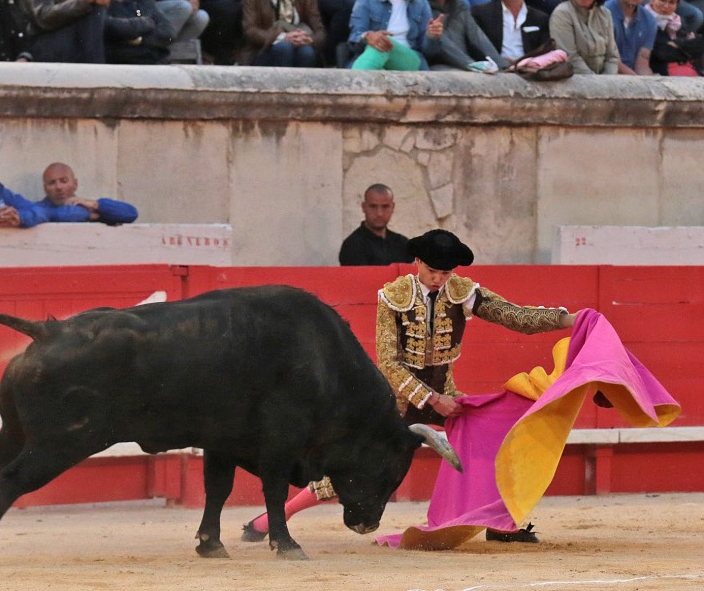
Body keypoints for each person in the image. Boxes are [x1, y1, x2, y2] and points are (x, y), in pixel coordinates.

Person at [241, 229, 579, 544]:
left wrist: (567, 320)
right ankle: (276, 517)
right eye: (434, 271)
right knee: (359, 466)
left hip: (444, 391)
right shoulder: (394, 296)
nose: (439, 279)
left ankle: (499, 525)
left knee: (491, 442)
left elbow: (512, 315)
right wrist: (433, 399)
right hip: (394, 401)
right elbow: (389, 363)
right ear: (418, 262)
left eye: (446, 273)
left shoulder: (461, 292)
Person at [347, 0, 444, 70]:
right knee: (379, 45)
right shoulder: (366, 0)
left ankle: (352, 86)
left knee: (383, 43)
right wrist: (368, 37)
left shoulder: (421, 3)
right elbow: (354, 39)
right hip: (372, 57)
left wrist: (431, 36)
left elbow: (429, 53)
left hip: (409, 60)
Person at [421, 0, 509, 71]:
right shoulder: (421, 4)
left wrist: (502, 65)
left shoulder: (459, 3)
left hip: (465, 63)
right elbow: (443, 44)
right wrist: (470, 65)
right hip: (435, 63)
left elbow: (477, 36)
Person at [240, 0, 326, 66]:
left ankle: (300, 85)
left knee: (307, 52)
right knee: (284, 48)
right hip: (263, 49)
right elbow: (250, 30)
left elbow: (320, 32)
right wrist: (282, 37)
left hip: (299, 46)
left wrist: (308, 39)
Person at [35, 162, 139, 223]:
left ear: (75, 184)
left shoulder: (89, 207)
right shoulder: (34, 209)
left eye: (64, 181)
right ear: (45, 188)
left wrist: (96, 205)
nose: (58, 187)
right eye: (52, 183)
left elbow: (130, 213)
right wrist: (85, 215)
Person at [25, 0, 111, 63]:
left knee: (122, 51)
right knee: (93, 5)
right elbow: (42, 16)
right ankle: (95, 72)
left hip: (80, 44)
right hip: (49, 45)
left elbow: (101, 22)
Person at [338, 184, 413, 266]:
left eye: (385, 206)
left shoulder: (402, 243)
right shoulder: (353, 246)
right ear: (364, 207)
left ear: (392, 207)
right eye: (373, 206)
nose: (379, 213)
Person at [549, 0, 620, 73]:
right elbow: (570, 57)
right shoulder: (562, 14)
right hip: (575, 80)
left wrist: (608, 80)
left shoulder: (605, 14)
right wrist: (598, 83)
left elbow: (612, 56)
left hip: (606, 81)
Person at [472, 0, 550, 62]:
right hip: (496, 68)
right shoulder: (481, 13)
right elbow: (476, 50)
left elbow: (544, 50)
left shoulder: (539, 18)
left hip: (529, 69)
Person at [104, 0, 174, 64]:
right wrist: (146, 22)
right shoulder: (97, 7)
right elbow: (118, 28)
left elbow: (169, 32)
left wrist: (141, 40)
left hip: (155, 61)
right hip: (122, 64)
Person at [648, 0, 701, 75]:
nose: (666, 6)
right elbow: (661, 53)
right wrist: (685, 45)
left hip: (687, 66)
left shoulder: (678, 21)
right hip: (662, 70)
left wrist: (677, 45)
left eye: (672, 2)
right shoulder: (645, 20)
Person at [604, 0, 655, 74]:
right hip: (605, 74)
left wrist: (648, 82)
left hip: (633, 78)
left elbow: (642, 62)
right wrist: (636, 81)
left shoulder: (649, 20)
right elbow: (611, 59)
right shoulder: (603, 14)